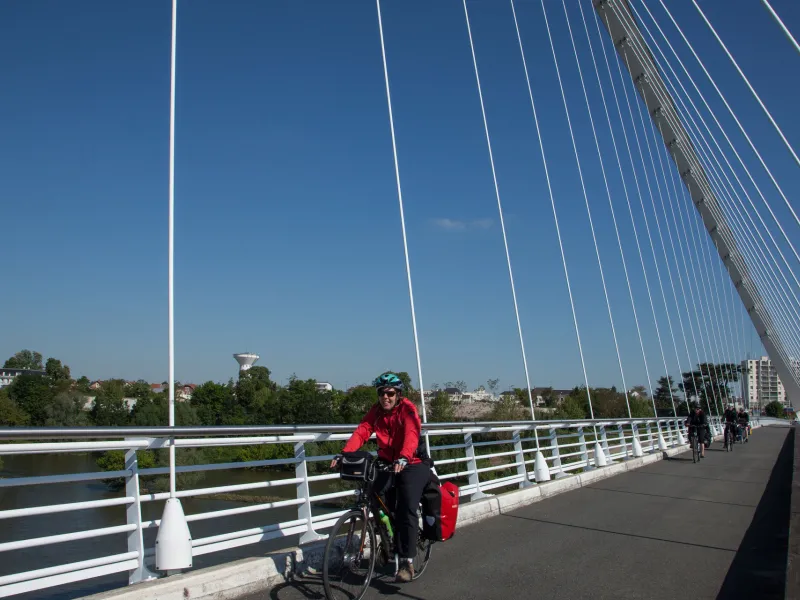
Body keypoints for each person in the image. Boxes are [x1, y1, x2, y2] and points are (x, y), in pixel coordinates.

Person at [331, 373, 430, 583]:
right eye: (381, 393)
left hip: (412, 463)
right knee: (374, 496)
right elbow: (363, 431)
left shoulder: (407, 410)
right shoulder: (376, 411)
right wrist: (344, 454)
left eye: (390, 393)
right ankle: (387, 543)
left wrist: (404, 457)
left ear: (398, 395)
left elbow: (412, 433)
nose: (385, 397)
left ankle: (406, 561)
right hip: (389, 462)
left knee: (406, 506)